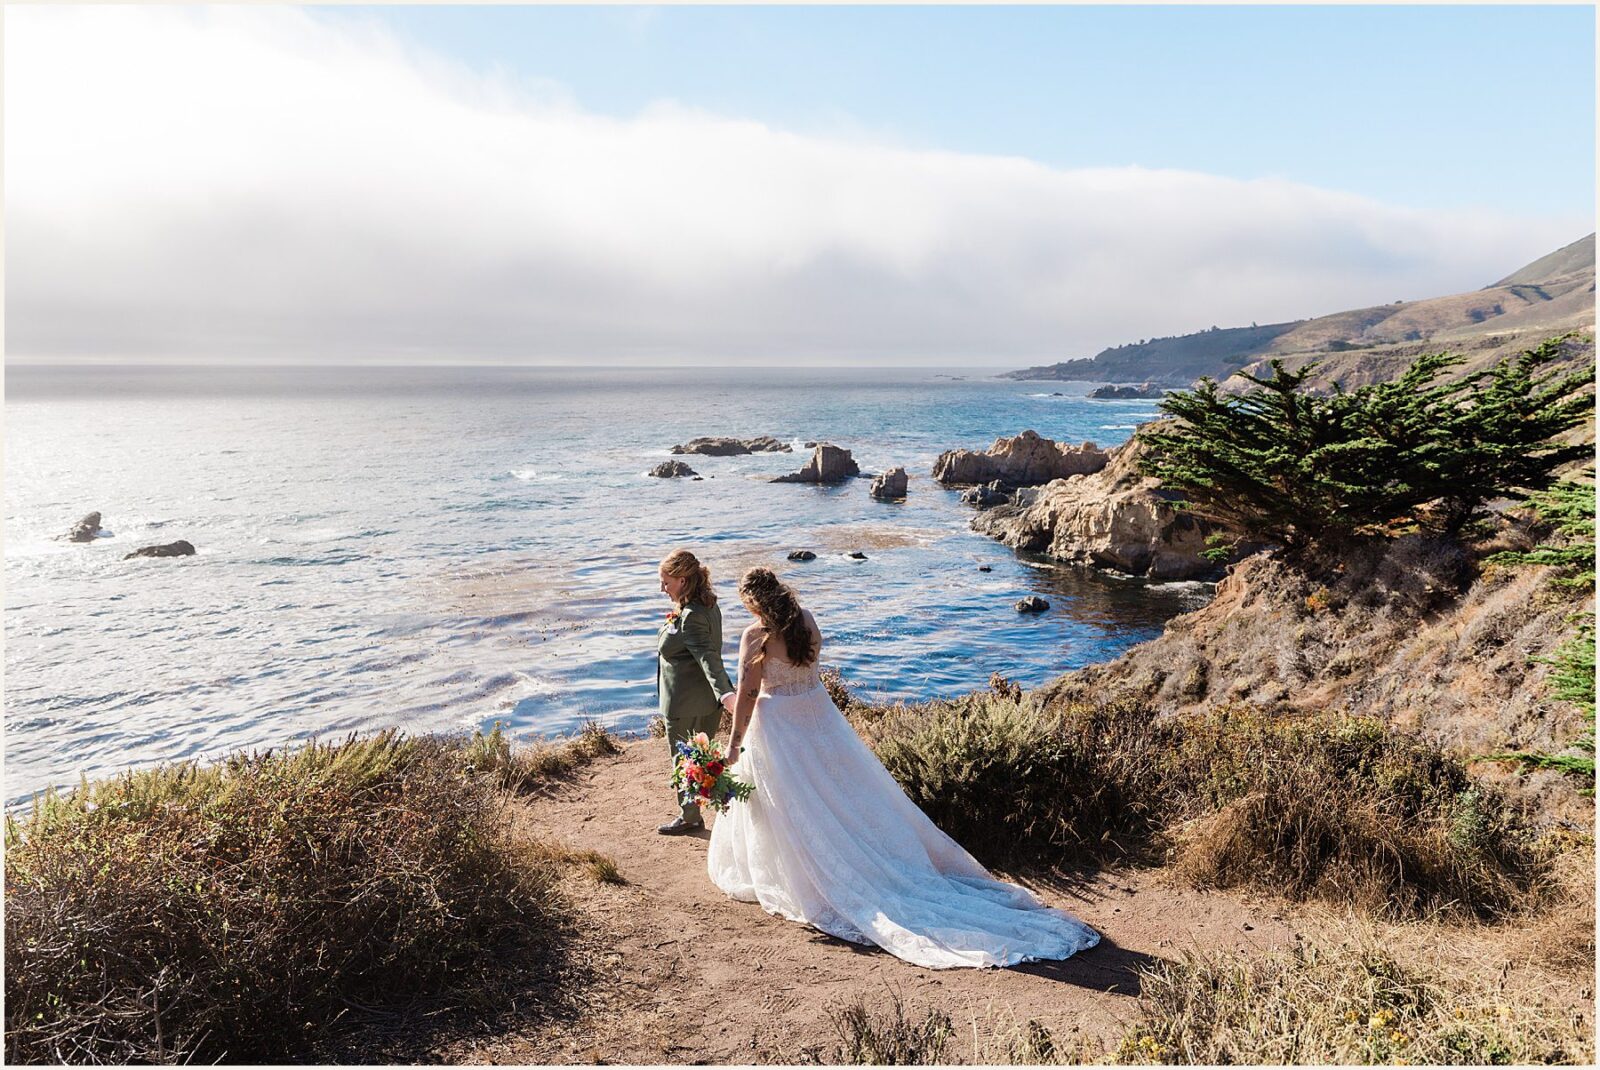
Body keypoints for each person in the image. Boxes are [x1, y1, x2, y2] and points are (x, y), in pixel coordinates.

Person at [706, 567, 1100, 969]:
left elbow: (749, 694)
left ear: (752, 601)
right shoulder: (806, 620)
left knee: (795, 804)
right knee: (839, 795)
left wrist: (734, 744)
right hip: (819, 717)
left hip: (781, 728)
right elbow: (810, 671)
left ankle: (802, 876)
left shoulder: (756, 636)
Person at [655, 549, 737, 835]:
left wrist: (727, 694)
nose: (662, 588)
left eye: (666, 582)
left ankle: (690, 817)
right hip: (705, 704)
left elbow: (707, 657)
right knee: (701, 760)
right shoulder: (708, 606)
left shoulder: (691, 615)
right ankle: (706, 812)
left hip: (685, 705)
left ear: (682, 580)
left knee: (685, 761)